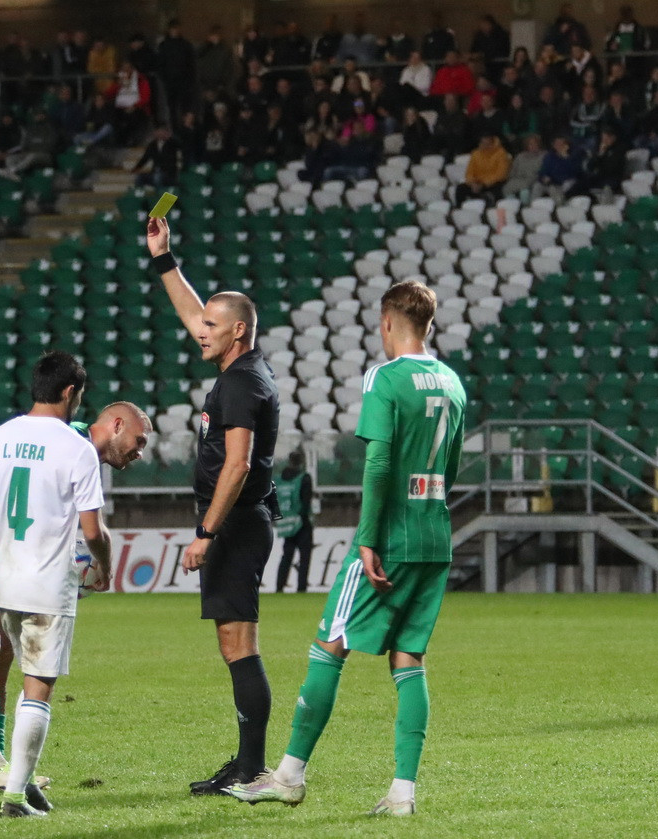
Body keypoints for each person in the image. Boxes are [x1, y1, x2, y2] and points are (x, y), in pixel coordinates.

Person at [228, 280, 466, 817]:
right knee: (409, 658)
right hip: (435, 534)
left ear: (387, 323)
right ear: (429, 324)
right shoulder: (453, 382)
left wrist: (367, 538)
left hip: (392, 535)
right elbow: (451, 465)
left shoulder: (386, 377)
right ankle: (402, 794)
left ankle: (288, 775)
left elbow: (378, 464)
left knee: (330, 643)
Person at [0, 398, 150, 796]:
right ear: (116, 425)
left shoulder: (71, 444)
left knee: (6, 649)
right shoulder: (68, 442)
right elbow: (84, 530)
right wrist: (94, 562)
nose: (140, 452)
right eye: (139, 440)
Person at [147, 215, 281, 796]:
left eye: (212, 326)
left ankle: (252, 768)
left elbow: (238, 464)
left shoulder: (241, 384)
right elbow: (192, 313)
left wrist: (206, 532)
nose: (200, 332)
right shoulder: (241, 369)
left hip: (236, 524)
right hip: (239, 522)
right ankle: (247, 763)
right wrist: (164, 258)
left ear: (238, 331)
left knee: (239, 645)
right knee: (234, 643)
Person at [0, 352, 114, 818]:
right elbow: (93, 530)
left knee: (25, 678)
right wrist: (104, 565)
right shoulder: (76, 448)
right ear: (70, 392)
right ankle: (13, 797)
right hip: (48, 583)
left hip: (6, 580)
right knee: (38, 689)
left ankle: (23, 784)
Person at [275, 450, 313, 593]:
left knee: (286, 555)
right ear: (301, 462)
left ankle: (279, 587)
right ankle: (301, 588)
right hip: (301, 522)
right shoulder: (304, 478)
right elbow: (306, 501)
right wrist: (304, 518)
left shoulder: (280, 479)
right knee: (304, 557)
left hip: (286, 523)